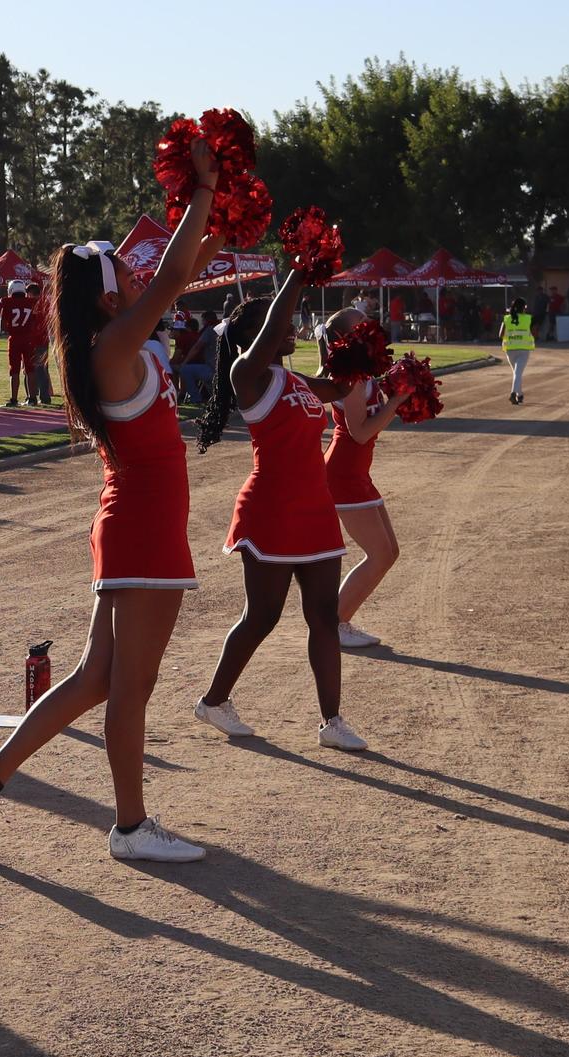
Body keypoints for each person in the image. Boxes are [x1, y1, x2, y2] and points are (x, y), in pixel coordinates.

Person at [0, 137, 225, 864]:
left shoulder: (115, 341)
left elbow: (185, 269)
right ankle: (132, 828)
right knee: (129, 685)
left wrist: (218, 208)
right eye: (130, 280)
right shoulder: (111, 346)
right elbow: (172, 276)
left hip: (135, 524)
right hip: (142, 528)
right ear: (110, 295)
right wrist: (199, 191)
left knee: (97, 679)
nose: (144, 283)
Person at [193, 268, 367, 753]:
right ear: (253, 338)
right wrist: (298, 273)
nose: (290, 329)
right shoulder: (247, 376)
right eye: (280, 326)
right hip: (270, 510)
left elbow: (336, 386)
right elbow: (273, 327)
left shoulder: (294, 378)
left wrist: (362, 355)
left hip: (314, 509)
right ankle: (214, 701)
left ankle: (331, 721)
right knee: (263, 615)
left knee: (324, 614)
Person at [318, 308, 414, 651]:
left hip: (357, 471)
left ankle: (336, 620)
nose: (371, 325)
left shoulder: (361, 372)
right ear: (349, 336)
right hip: (344, 472)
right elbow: (359, 433)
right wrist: (397, 402)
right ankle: (333, 624)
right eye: (363, 323)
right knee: (379, 553)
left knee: (389, 551)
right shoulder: (352, 379)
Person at [0, 280, 36, 406]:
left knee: (14, 370)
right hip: (28, 338)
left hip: (15, 338)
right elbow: (34, 320)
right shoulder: (31, 302)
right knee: (30, 369)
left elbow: (2, 324)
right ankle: (32, 398)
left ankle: (14, 399)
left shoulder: (6, 302)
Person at [501, 296, 535, 405]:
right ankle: (513, 393)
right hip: (524, 349)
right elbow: (534, 332)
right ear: (524, 307)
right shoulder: (528, 318)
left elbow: (500, 334)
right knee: (518, 373)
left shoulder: (506, 318)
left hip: (510, 349)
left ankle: (519, 394)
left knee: (517, 373)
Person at [25, 282, 54, 405]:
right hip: (43, 339)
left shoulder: (34, 303)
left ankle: (35, 395)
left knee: (34, 369)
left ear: (31, 293)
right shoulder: (45, 302)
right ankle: (44, 396)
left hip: (34, 339)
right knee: (42, 369)